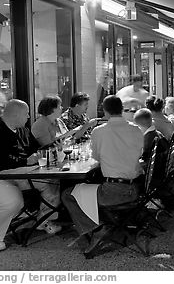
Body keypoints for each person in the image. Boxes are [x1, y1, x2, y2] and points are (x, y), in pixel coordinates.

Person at [0, 99, 61, 252]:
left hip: (16, 176)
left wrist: (50, 149)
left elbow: (36, 149)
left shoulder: (23, 130)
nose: (29, 117)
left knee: (51, 181)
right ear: (16, 115)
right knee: (12, 200)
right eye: (26, 114)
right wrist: (26, 161)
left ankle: (44, 220)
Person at [61, 95, 145, 254]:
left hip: (113, 192)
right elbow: (140, 153)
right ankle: (103, 221)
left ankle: (95, 227)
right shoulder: (136, 129)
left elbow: (96, 157)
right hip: (136, 187)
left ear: (105, 111)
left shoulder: (99, 132)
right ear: (121, 109)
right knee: (90, 185)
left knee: (67, 194)